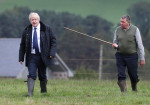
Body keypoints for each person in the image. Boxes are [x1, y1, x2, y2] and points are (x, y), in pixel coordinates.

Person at [19, 12, 56, 96]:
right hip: (31, 56)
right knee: (31, 74)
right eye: (32, 19)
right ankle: (29, 93)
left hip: (43, 56)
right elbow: (22, 45)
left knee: (42, 75)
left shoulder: (47, 29)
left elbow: (53, 41)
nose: (34, 21)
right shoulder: (26, 30)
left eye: (35, 19)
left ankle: (43, 92)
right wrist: (21, 57)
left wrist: (52, 53)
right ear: (30, 21)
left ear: (39, 20)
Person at [112, 15, 145, 92]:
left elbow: (140, 45)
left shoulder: (135, 30)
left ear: (128, 22)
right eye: (120, 21)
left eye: (123, 22)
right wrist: (114, 45)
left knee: (133, 75)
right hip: (120, 55)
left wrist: (142, 58)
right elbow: (115, 41)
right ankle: (124, 93)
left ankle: (134, 88)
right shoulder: (117, 30)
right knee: (121, 75)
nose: (121, 23)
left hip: (132, 56)